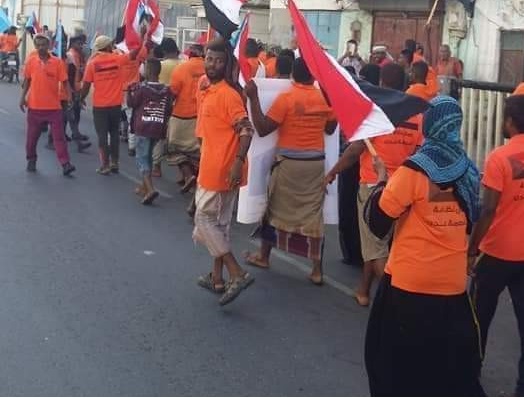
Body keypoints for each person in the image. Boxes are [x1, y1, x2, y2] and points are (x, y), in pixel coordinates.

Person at [363, 96, 484, 396]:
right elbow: (474, 220)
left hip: (408, 286)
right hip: (453, 288)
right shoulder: (469, 170)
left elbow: (378, 221)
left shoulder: (415, 170)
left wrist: (380, 180)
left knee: (391, 366)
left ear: (429, 125)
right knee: (446, 371)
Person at [325, 63, 423, 306]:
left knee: (375, 246)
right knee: (378, 244)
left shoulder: (377, 112)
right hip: (405, 187)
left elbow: (356, 148)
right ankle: (364, 289)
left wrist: (332, 172)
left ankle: (399, 302)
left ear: (381, 83)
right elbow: (420, 151)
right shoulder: (417, 115)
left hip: (373, 187)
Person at [243, 58, 338, 285]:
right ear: (313, 76)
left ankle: (264, 256)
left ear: (293, 75)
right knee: (314, 215)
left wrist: (254, 98)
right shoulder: (323, 98)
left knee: (273, 209)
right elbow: (331, 127)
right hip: (315, 164)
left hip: (289, 165)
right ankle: (317, 270)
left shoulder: (286, 98)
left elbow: (264, 129)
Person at [468, 94, 524, 397]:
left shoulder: (499, 157)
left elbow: (488, 209)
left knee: (477, 320)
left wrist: (472, 248)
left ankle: (470, 379)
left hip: (496, 252)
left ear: (511, 122)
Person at [193, 38, 255, 306]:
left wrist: (237, 162)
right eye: (209, 59)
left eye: (219, 60)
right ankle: (217, 278)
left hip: (221, 170)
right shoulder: (210, 90)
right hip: (215, 167)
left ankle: (236, 273)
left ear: (227, 63)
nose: (213, 64)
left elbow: (246, 129)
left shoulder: (228, 94)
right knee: (219, 226)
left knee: (204, 222)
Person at [81, 35, 146, 175]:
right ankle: (114, 163)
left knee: (102, 136)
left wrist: (80, 99)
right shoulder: (117, 59)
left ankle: (104, 165)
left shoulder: (92, 63)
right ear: (108, 47)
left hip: (100, 106)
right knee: (114, 134)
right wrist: (141, 37)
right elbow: (134, 53)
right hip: (116, 104)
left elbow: (86, 85)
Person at [19, 34, 76, 176]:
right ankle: (31, 159)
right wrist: (22, 98)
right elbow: (27, 82)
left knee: (59, 137)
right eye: (37, 45)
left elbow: (65, 82)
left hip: (53, 109)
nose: (40, 48)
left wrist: (69, 98)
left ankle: (65, 164)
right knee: (31, 139)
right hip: (34, 108)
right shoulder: (31, 61)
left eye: (43, 45)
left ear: (49, 46)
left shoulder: (57, 63)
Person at [127, 58, 173, 205]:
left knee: (141, 158)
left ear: (148, 71)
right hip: (158, 127)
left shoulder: (142, 89)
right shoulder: (167, 90)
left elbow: (132, 104)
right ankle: (144, 186)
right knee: (148, 157)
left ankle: (151, 189)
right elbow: (169, 109)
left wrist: (129, 92)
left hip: (143, 127)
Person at [168, 44, 205, 198]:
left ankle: (188, 174)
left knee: (173, 148)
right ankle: (192, 178)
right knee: (196, 151)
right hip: (201, 116)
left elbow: (173, 93)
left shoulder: (181, 69)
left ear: (189, 55)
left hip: (181, 116)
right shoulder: (209, 69)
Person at [154, 38, 183, 177]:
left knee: (159, 137)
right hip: (179, 107)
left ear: (164, 50)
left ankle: (156, 167)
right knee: (178, 141)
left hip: (162, 104)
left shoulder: (160, 65)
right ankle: (184, 173)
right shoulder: (184, 64)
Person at [65, 35, 91, 146]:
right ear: (73, 44)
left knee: (74, 113)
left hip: (77, 87)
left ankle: (74, 135)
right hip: (70, 89)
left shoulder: (80, 55)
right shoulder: (71, 55)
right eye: (78, 43)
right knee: (70, 115)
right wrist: (71, 91)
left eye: (82, 44)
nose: (81, 46)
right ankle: (76, 139)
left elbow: (82, 71)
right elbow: (69, 75)